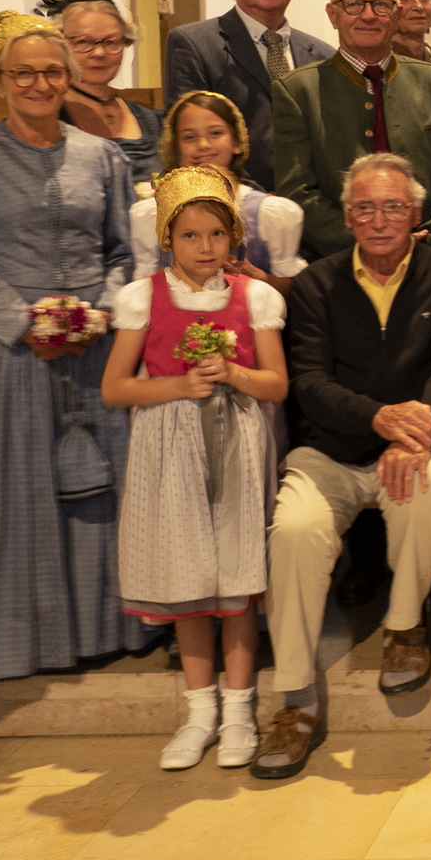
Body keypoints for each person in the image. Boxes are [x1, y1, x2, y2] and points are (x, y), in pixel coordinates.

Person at [0, 13, 146, 687]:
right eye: (24, 73)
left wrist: (102, 310)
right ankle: (13, 639)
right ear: (0, 82)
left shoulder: (101, 156)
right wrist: (25, 322)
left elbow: (121, 251)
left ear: (68, 79)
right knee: (10, 493)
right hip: (7, 349)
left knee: (102, 491)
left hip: (93, 346)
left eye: (52, 72)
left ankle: (105, 629)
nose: (39, 84)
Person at [260, 154, 431, 779]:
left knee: (427, 485)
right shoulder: (316, 284)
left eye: (392, 207)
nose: (379, 220)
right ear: (347, 216)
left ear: (416, 213)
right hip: (330, 446)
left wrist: (413, 429)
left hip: (418, 437)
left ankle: (404, 629)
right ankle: (295, 699)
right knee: (295, 530)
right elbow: (308, 381)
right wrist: (378, 419)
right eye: (364, 208)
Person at [101, 166, 290, 771]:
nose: (205, 247)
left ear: (233, 236)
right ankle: (199, 710)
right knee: (188, 580)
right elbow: (115, 388)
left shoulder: (254, 297)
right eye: (190, 235)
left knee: (235, 576)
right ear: (167, 238)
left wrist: (233, 373)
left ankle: (239, 709)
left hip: (236, 445)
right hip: (167, 449)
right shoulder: (143, 298)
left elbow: (276, 385)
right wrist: (179, 386)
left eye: (216, 234)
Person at [272, 0, 431, 260]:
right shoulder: (298, 91)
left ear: (397, 14)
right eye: (353, 4)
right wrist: (367, 243)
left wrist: (430, 237)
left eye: (381, 5)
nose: (369, 15)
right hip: (340, 263)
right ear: (332, 15)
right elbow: (298, 191)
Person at [163, 0, 333, 194]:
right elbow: (192, 140)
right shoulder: (193, 44)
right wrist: (259, 201)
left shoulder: (323, 55)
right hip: (236, 203)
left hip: (314, 201)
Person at [128, 90, 306, 295]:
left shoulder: (269, 213)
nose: (203, 145)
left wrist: (256, 276)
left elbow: (294, 290)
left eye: (215, 133)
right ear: (176, 147)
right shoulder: (151, 214)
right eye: (189, 137)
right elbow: (142, 291)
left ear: (237, 142)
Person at [39, 0, 164, 187]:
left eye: (111, 42)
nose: (99, 53)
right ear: (59, 45)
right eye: (83, 42)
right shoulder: (44, 122)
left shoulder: (157, 123)